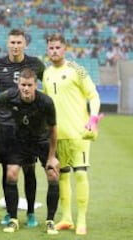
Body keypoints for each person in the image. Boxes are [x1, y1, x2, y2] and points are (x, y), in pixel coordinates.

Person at [42, 33, 101, 235]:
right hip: (58, 136)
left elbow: (93, 95)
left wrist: (92, 120)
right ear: (47, 49)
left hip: (79, 134)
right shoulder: (47, 74)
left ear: (64, 48)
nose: (54, 51)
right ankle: (66, 218)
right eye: (51, 48)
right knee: (63, 176)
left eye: (58, 47)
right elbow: (47, 106)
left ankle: (81, 220)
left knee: (81, 174)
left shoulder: (78, 70)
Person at [0, 28, 46, 226]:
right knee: (7, 171)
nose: (15, 46)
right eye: (12, 42)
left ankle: (31, 212)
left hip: (29, 126)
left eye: (19, 42)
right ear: (8, 44)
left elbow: (46, 85)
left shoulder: (35, 64)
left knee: (29, 170)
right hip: (5, 125)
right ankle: (10, 212)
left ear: (25, 44)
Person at [0, 68, 59, 234]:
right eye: (23, 85)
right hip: (19, 141)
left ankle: (50, 221)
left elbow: (53, 129)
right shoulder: (8, 97)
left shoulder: (46, 102)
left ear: (35, 85)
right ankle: (13, 219)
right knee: (11, 174)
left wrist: (52, 157)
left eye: (29, 85)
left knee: (53, 174)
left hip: (42, 140)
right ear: (18, 84)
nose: (25, 88)